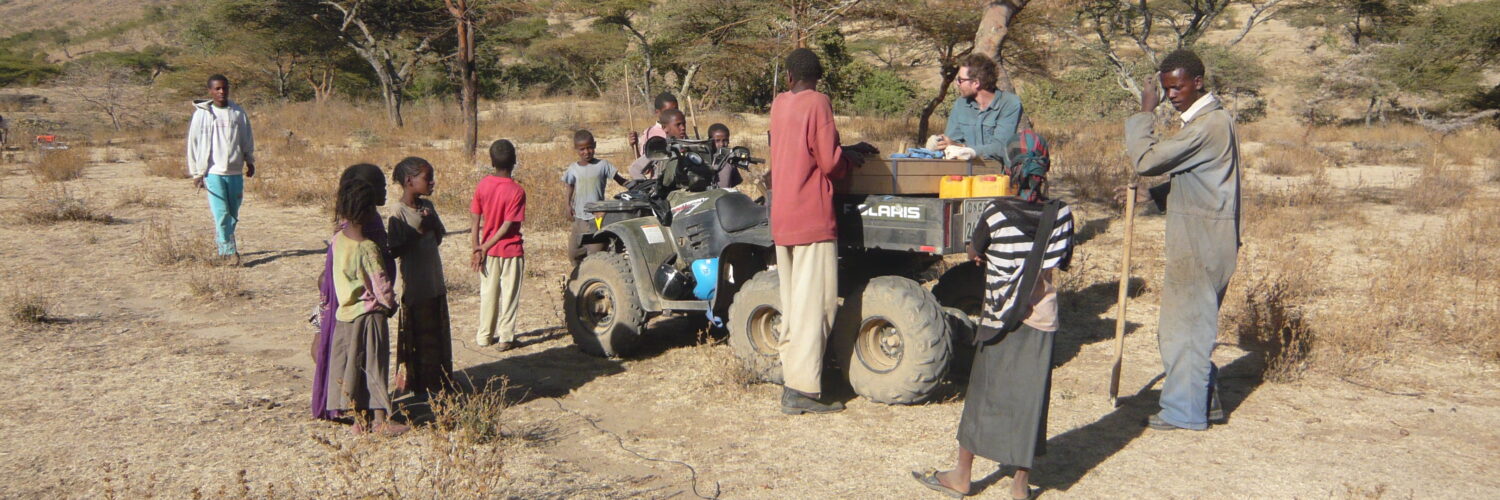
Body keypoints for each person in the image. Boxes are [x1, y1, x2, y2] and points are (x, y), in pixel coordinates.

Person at [913, 142, 1073, 500]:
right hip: (1041, 318)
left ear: (1011, 172)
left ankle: (962, 476)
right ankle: (1019, 486)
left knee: (983, 394)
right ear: (1045, 170)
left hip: (999, 315)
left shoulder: (996, 210)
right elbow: (1060, 261)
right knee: (1030, 400)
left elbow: (975, 251)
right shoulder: (1061, 214)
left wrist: (993, 256)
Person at [1114, 49, 1241, 431]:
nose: (1171, 95)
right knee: (1192, 324)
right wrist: (1153, 196)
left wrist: (1145, 112)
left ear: (1197, 83)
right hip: (1207, 237)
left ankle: (1184, 412)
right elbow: (1202, 180)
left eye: (1177, 87)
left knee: (1184, 328)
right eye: (1166, 89)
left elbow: (1147, 161)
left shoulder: (1208, 125)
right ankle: (1204, 400)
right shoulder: (1211, 121)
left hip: (1201, 242)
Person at [767, 48, 877, 415]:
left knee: (794, 304)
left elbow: (800, 148)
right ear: (818, 77)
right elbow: (829, 163)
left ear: (789, 77)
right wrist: (848, 159)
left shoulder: (779, 104)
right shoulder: (818, 102)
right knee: (816, 306)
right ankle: (801, 389)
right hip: (811, 215)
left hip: (783, 215)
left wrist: (842, 150)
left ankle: (793, 374)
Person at [325, 165, 407, 437]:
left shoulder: (338, 240)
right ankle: (381, 420)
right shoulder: (368, 248)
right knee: (374, 366)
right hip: (370, 317)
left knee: (353, 366)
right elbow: (380, 284)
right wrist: (390, 305)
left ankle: (358, 421)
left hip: (345, 316)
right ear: (369, 211)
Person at [313, 164, 395, 422]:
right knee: (369, 359)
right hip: (366, 307)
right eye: (380, 187)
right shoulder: (366, 236)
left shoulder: (342, 234)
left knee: (345, 355)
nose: (385, 191)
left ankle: (352, 410)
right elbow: (377, 278)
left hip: (344, 306)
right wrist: (389, 303)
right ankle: (373, 414)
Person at [387, 157, 453, 397]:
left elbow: (438, 238)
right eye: (427, 178)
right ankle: (417, 384)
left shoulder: (428, 206)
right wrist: (419, 231)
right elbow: (395, 248)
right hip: (415, 286)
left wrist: (432, 224)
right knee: (417, 335)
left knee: (435, 333)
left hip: (434, 282)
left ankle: (437, 380)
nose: (432, 182)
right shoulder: (398, 212)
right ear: (409, 181)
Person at [186, 74, 256, 265]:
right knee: (222, 213)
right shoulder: (202, 114)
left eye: (224, 88)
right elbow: (193, 144)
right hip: (213, 172)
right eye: (217, 88)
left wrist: (249, 160)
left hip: (235, 171)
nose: (221, 91)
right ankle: (228, 251)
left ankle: (225, 245)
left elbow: (246, 138)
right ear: (210, 91)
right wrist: (197, 173)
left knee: (233, 214)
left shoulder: (238, 112)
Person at [471, 140, 527, 352]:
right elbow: (507, 225)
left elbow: (475, 218)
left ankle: (484, 336)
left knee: (488, 294)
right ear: (514, 161)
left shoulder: (483, 185)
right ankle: (505, 337)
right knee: (510, 295)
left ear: (492, 161)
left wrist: (477, 247)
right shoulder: (517, 191)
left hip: (489, 252)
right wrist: (484, 247)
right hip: (511, 250)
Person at [933, 54, 1023, 166]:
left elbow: (1000, 148)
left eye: (960, 80)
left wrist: (962, 148)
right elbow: (951, 143)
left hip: (997, 171)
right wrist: (943, 143)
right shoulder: (960, 104)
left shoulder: (1009, 103)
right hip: (964, 170)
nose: (957, 83)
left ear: (976, 83)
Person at [562, 130, 630, 262]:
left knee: (596, 254)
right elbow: (570, 186)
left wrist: (634, 185)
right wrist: (567, 205)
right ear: (576, 149)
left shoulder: (603, 165)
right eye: (582, 149)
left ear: (595, 145)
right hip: (579, 218)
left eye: (589, 148)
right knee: (574, 254)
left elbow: (620, 180)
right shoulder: (573, 168)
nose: (586, 152)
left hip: (597, 218)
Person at [628, 109, 689, 180]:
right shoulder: (660, 148)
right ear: (665, 128)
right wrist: (647, 185)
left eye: (684, 124)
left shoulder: (690, 146)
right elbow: (635, 169)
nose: (683, 128)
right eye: (678, 125)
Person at [628, 92, 679, 157]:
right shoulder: (649, 134)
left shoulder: (680, 129)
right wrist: (634, 147)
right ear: (657, 112)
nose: (673, 114)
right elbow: (642, 161)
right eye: (668, 112)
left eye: (676, 110)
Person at [707, 123, 742, 188]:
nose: (722, 144)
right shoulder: (705, 159)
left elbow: (734, 183)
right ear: (710, 141)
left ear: (728, 141)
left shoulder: (729, 161)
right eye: (717, 141)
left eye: (725, 140)